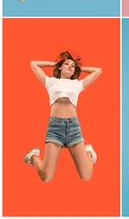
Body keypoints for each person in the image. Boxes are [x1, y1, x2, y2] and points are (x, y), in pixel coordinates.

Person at [24, 52, 102, 182]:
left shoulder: (77, 84)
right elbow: (33, 64)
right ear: (60, 67)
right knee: (46, 177)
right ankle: (33, 157)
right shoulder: (51, 82)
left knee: (86, 176)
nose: (70, 66)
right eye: (67, 64)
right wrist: (55, 64)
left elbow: (98, 71)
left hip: (73, 128)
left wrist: (78, 68)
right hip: (55, 128)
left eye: (73, 66)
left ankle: (88, 152)